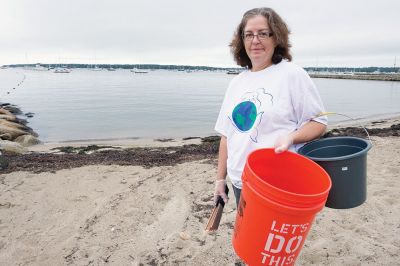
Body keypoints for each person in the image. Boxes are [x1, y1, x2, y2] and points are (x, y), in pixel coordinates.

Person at [213, 7, 328, 207]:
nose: (255, 40)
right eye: (248, 34)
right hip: (240, 179)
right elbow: (226, 135)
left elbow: (318, 122)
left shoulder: (292, 75)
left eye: (263, 33)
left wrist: (291, 137)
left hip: (277, 181)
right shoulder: (237, 82)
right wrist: (220, 179)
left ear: (276, 38)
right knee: (248, 238)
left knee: (272, 238)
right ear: (242, 41)